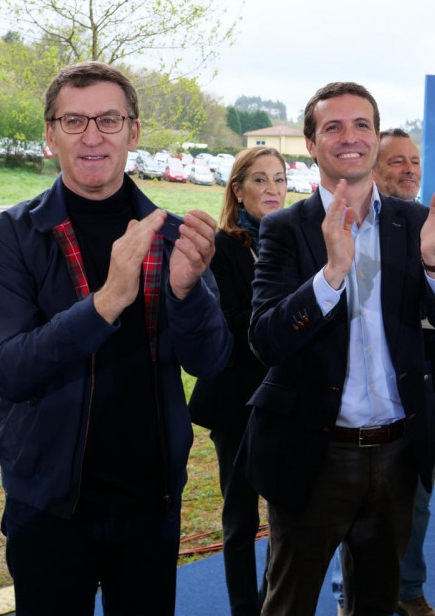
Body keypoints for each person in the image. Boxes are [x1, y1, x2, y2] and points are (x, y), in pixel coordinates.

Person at [0, 61, 232, 616]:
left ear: (133, 132)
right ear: (50, 135)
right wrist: (107, 302)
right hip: (48, 504)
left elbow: (209, 361)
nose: (92, 136)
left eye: (109, 120)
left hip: (152, 500)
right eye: (74, 121)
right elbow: (11, 370)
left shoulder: (172, 233)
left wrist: (189, 295)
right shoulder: (9, 238)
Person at [238, 82, 435, 616]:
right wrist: (332, 274)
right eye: (333, 127)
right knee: (289, 601)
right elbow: (266, 339)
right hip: (312, 452)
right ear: (311, 143)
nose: (350, 137)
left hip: (397, 454)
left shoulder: (413, 222)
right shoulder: (283, 228)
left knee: (375, 604)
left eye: (362, 125)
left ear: (375, 137)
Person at [329, 127, 435, 616]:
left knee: (416, 499)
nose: (410, 170)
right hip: (355, 399)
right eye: (397, 161)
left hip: (423, 387)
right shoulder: (341, 225)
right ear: (373, 167)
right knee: (347, 507)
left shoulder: (431, 222)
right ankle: (347, 596)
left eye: (415, 161)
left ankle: (409, 591)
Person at [187, 147, 286, 616]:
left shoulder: (293, 240)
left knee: (286, 516)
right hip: (235, 401)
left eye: (281, 180)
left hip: (287, 399)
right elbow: (228, 322)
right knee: (241, 518)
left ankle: (275, 603)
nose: (273, 190)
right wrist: (288, 315)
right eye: (261, 180)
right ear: (238, 189)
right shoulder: (223, 247)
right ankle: (245, 608)